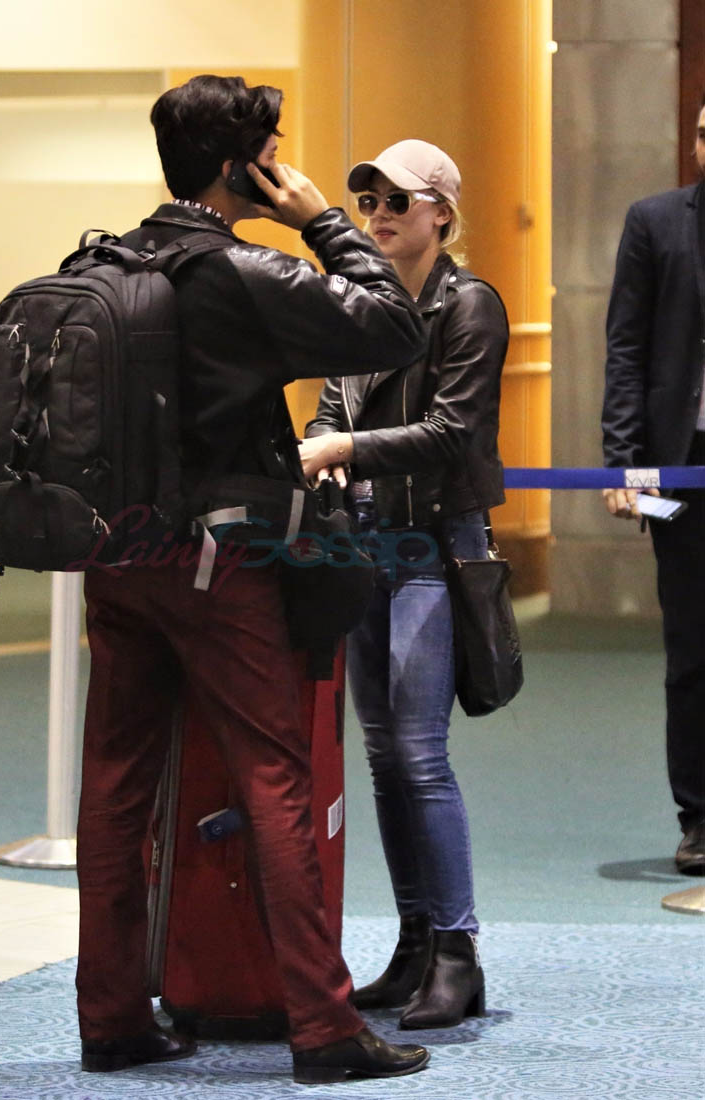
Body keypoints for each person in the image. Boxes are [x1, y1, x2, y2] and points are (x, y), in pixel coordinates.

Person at [75, 75, 431, 1084]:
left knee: (115, 785)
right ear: (243, 168)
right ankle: (322, 1025)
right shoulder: (239, 270)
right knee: (275, 778)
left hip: (116, 558)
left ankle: (111, 1018)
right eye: (272, 155)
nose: (282, 168)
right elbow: (391, 325)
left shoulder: (101, 260)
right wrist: (319, 219)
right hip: (216, 562)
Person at [301, 139, 509, 1029]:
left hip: (431, 546)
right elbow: (330, 406)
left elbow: (452, 430)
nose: (379, 214)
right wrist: (322, 443)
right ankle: (416, 942)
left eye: (398, 200)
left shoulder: (469, 305)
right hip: (363, 546)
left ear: (442, 214)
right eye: (368, 201)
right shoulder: (358, 306)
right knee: (385, 760)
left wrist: (343, 447)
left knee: (419, 755)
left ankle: (458, 953)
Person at [601, 94, 705, 876]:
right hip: (681, 469)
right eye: (704, 133)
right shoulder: (655, 222)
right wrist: (624, 463)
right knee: (692, 651)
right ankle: (698, 818)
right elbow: (626, 350)